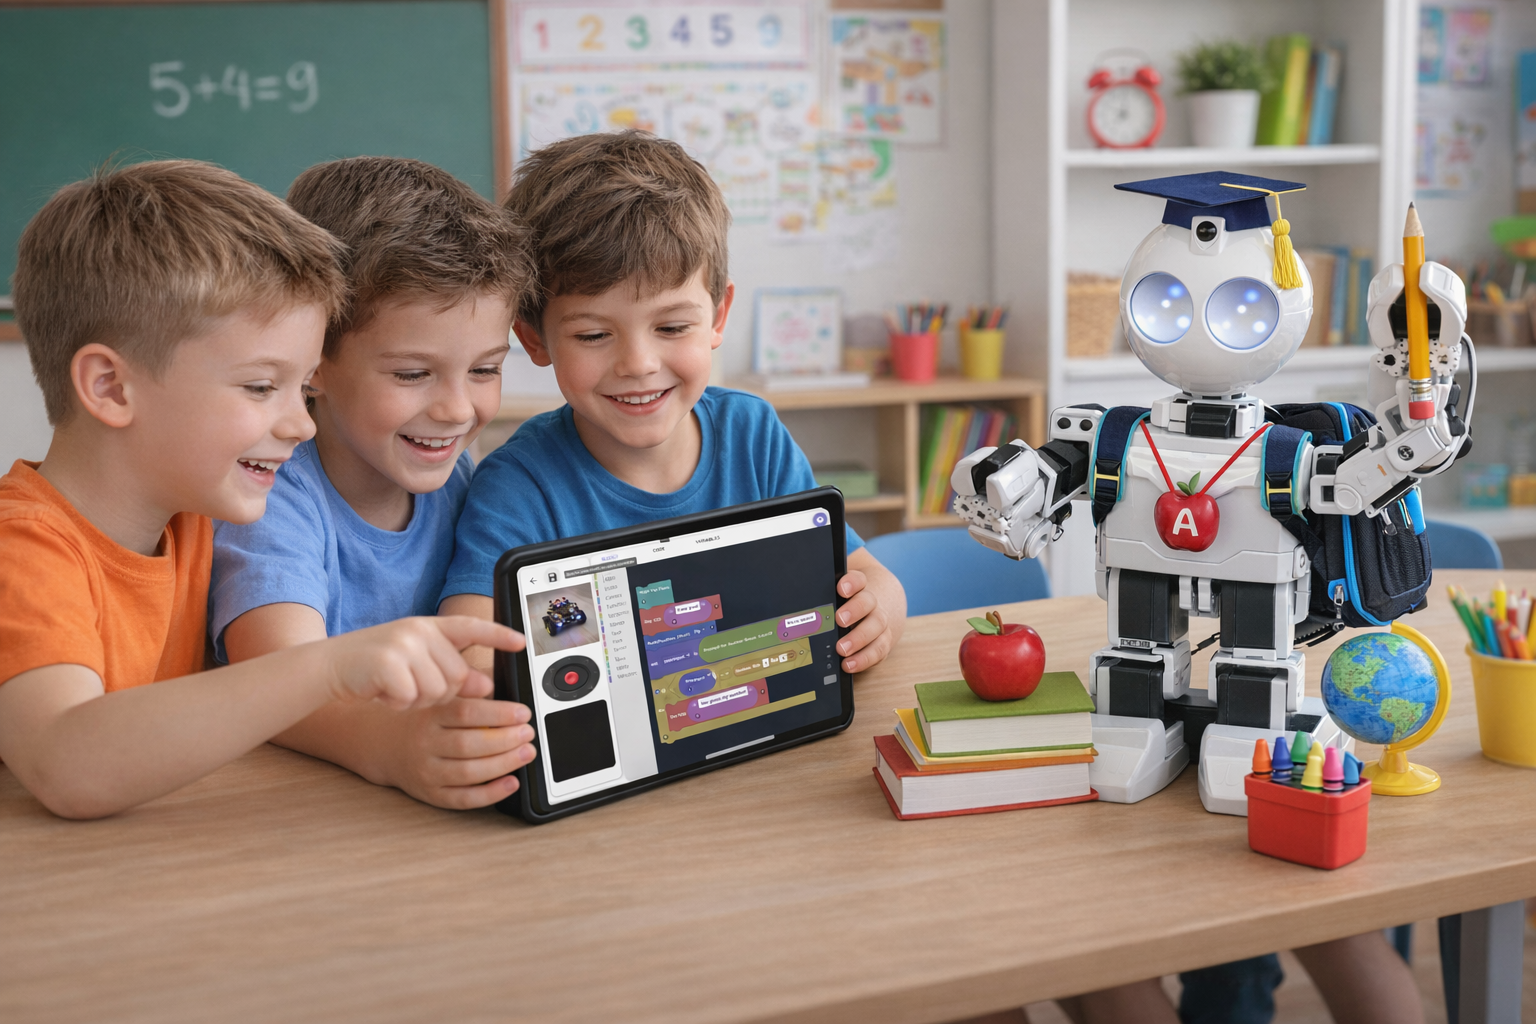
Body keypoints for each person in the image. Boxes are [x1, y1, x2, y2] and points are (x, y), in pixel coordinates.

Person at [0, 160, 521, 820]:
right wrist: (327, 669)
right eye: (260, 387)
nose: (300, 423)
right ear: (110, 387)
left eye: (300, 386)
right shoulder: (22, 545)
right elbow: (66, 764)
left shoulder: (186, 521)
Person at [438, 130, 904, 676]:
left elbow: (867, 575)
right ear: (535, 338)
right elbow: (468, 644)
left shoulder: (751, 435)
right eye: (593, 335)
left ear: (717, 316)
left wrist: (878, 613)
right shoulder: (519, 484)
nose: (638, 363)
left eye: (672, 326)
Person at [210, 157, 540, 810]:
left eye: (484, 369)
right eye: (413, 374)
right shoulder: (267, 493)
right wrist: (391, 746)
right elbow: (275, 683)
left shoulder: (447, 472)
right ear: (316, 362)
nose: (456, 410)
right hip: (284, 815)